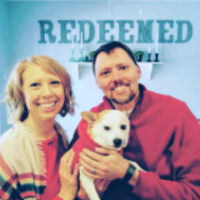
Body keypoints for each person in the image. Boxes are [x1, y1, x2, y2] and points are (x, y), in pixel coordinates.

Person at [70, 41, 200, 200]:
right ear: (97, 83)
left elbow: (194, 193)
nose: (116, 77)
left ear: (138, 71)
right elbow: (69, 187)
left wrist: (129, 173)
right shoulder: (88, 125)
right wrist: (85, 195)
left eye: (123, 68)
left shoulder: (177, 114)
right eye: (105, 73)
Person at [0, 55, 79, 200]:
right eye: (35, 85)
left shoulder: (61, 137)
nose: (47, 93)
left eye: (55, 83)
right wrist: (66, 195)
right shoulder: (6, 150)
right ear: (21, 94)